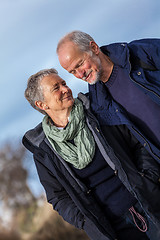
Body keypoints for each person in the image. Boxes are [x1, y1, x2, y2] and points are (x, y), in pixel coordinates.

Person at [22, 68, 160, 240]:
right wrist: (85, 221)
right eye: (56, 88)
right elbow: (58, 197)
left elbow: (138, 143)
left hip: (150, 203)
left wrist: (149, 178)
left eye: (63, 83)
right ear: (42, 105)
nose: (65, 89)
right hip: (113, 229)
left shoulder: (97, 111)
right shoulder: (44, 151)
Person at [57, 31, 160, 165]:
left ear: (94, 48)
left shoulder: (140, 53)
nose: (80, 74)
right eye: (72, 72)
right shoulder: (99, 105)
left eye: (80, 64)